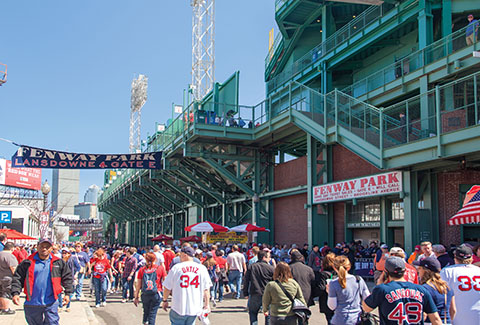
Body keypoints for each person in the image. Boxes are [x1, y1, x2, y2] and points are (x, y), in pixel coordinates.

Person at [363, 256, 442, 325]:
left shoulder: (382, 289)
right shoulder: (421, 290)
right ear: (405, 271)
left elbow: (366, 308)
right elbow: (436, 319)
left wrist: (379, 284)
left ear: (386, 272)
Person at [11, 238, 73, 325]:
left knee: (52, 323)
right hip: (32, 302)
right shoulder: (27, 262)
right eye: (42, 246)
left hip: (51, 302)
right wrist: (15, 293)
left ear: (51, 248)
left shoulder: (58, 263)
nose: (44, 249)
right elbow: (18, 278)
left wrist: (68, 293)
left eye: (47, 247)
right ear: (37, 247)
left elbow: (67, 278)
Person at [162, 246, 212, 325]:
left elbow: (167, 287)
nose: (179, 257)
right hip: (194, 307)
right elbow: (206, 289)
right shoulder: (201, 268)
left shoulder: (176, 268)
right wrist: (207, 304)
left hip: (178, 306)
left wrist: (165, 300)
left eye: (181, 254)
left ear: (185, 255)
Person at [440, 244, 480, 324]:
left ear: (455, 258)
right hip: (477, 316)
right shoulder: (478, 270)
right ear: (471, 258)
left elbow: (442, 295)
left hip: (458, 317)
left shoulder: (447, 271)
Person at [327, 255, 369, 324]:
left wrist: (329, 292)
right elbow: (367, 298)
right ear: (349, 267)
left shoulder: (333, 283)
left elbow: (332, 306)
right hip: (356, 319)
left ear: (334, 268)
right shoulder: (358, 280)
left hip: (339, 319)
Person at [413, 256, 455, 324]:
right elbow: (453, 310)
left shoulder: (424, 289)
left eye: (420, 268)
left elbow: (423, 314)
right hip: (446, 322)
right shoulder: (447, 288)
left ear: (426, 271)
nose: (418, 270)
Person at [134, 252, 166, 325]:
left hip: (145, 293)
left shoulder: (142, 270)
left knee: (146, 310)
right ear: (155, 259)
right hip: (156, 292)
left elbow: (138, 284)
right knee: (152, 313)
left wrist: (136, 296)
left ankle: (145, 322)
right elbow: (165, 281)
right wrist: (165, 296)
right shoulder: (160, 268)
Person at [244, 249, 274, 325]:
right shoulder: (270, 268)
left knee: (253, 313)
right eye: (268, 257)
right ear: (264, 257)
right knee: (268, 315)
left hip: (255, 292)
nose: (269, 259)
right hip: (268, 294)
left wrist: (245, 293)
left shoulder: (252, 267)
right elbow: (275, 282)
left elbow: (246, 280)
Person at [317, 253, 337, 324]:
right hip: (339, 300)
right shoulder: (339, 273)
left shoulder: (323, 274)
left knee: (330, 320)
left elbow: (320, 288)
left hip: (326, 301)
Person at [0, 242, 18, 315]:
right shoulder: (10, 256)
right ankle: (5, 308)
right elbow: (13, 268)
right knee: (6, 293)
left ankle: (1, 307)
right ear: (12, 248)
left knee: (1, 293)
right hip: (7, 278)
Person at [58, 247, 77, 312]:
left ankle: (68, 306)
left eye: (65, 253)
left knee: (69, 293)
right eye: (63, 253)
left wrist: (75, 275)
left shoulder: (72, 259)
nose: (64, 254)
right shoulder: (60, 260)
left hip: (70, 278)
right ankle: (60, 305)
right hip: (60, 278)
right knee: (59, 292)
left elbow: (78, 267)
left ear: (69, 253)